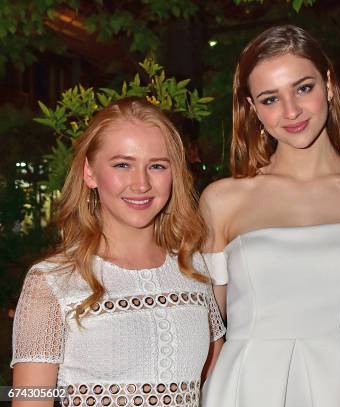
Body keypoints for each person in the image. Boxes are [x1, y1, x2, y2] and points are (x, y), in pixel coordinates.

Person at [200, 25, 340, 406]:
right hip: (245, 389)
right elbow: (204, 333)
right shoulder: (223, 200)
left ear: (329, 84)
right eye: (270, 99)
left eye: (304, 88)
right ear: (252, 108)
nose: (291, 111)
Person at [11, 97, 225, 407]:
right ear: (90, 173)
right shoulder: (53, 282)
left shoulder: (194, 269)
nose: (141, 183)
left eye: (157, 166)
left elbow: (216, 387)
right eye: (122, 164)